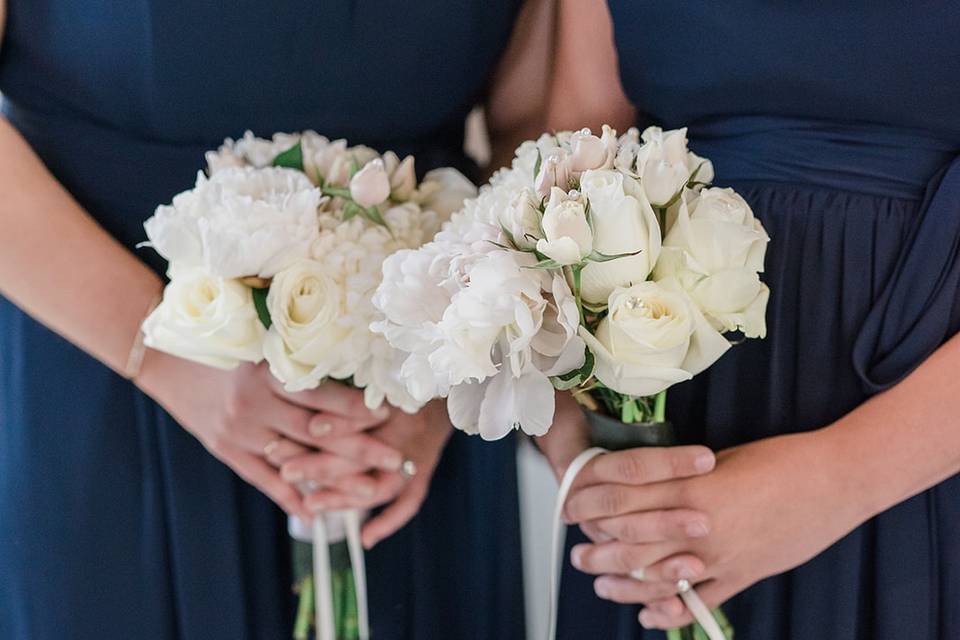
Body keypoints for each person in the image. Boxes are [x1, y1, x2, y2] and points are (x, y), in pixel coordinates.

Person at [0, 1, 552, 638]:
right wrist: (159, 354)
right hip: (98, 363)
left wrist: (454, 362)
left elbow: (531, 124)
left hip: (407, 399)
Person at [538, 1, 960, 638]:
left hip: (923, 437)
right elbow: (569, 157)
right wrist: (570, 416)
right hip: (664, 436)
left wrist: (843, 477)